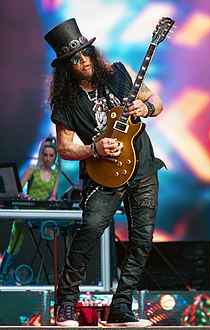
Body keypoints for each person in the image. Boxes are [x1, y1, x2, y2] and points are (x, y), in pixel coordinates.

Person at [44, 18, 165, 327]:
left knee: (141, 241)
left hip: (143, 170)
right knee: (89, 232)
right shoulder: (66, 103)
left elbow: (155, 100)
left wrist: (146, 109)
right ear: (66, 66)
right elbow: (65, 148)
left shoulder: (119, 75)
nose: (83, 61)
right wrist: (95, 149)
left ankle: (122, 308)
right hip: (103, 175)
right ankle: (66, 306)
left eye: (86, 53)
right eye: (75, 58)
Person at [0, 136, 59, 285]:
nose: (48, 158)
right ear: (41, 155)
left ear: (55, 157)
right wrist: (26, 196)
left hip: (41, 213)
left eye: (51, 155)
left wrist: (52, 200)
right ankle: (3, 275)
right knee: (16, 241)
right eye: (45, 155)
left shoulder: (55, 175)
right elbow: (18, 189)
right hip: (26, 209)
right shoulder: (32, 170)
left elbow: (53, 196)